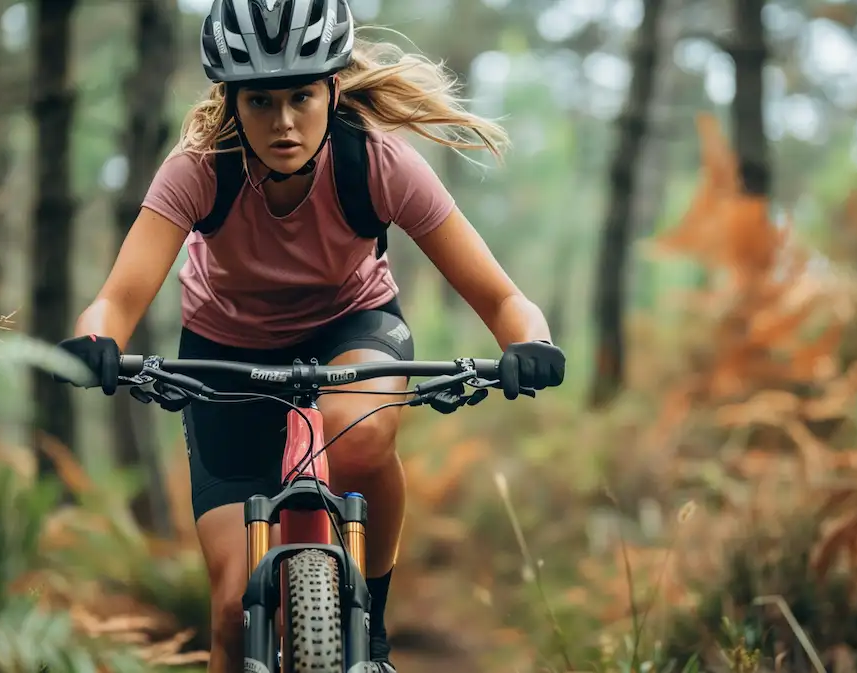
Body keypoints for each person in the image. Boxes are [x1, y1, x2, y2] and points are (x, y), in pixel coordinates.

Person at [53, 0, 565, 671]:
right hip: (223, 355)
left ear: (332, 88)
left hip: (351, 329)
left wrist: (529, 342)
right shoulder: (201, 167)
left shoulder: (378, 162)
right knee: (234, 612)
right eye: (260, 101)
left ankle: (370, 623)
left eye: (301, 96)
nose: (284, 121)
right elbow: (115, 300)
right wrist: (97, 341)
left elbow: (503, 298)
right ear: (231, 100)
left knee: (360, 432)